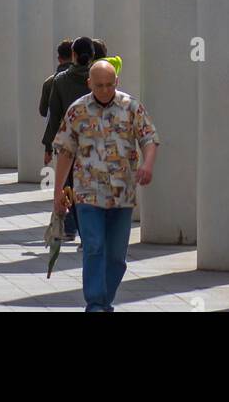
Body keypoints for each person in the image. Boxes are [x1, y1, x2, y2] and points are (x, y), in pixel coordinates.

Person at [51, 59, 159, 312]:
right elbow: (65, 152)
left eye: (109, 85)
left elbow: (149, 138)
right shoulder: (77, 111)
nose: (104, 90)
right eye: (99, 85)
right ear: (89, 83)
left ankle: (105, 299)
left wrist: (148, 164)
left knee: (116, 257)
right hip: (87, 194)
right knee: (94, 246)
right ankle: (96, 303)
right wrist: (58, 192)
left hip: (122, 194)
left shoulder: (131, 107)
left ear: (117, 82)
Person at [44, 36, 97, 239]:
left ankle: (80, 229)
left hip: (69, 144)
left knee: (72, 188)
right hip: (95, 142)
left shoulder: (60, 81)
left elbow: (53, 117)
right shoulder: (97, 80)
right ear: (92, 56)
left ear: (73, 55)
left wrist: (48, 146)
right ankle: (90, 234)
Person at [39, 40, 73, 118]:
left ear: (59, 59)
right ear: (74, 56)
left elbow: (43, 111)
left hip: (56, 128)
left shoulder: (49, 82)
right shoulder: (85, 78)